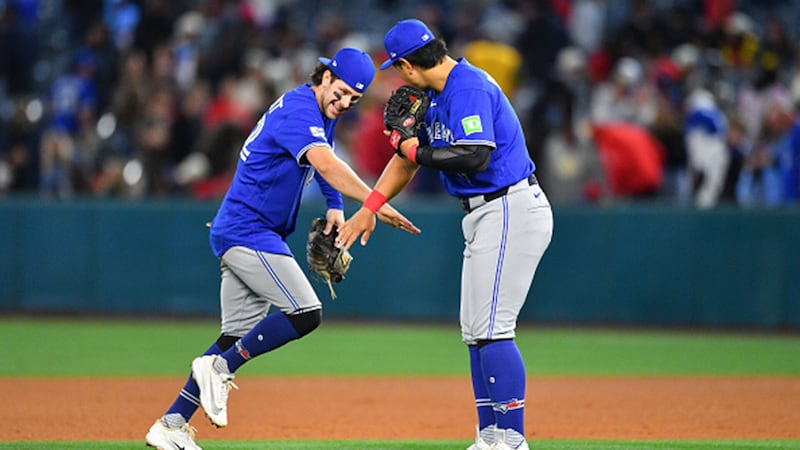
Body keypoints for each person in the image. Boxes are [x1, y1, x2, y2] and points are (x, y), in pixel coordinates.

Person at [145, 46, 420, 450]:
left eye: (354, 98)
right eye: (342, 91)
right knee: (306, 312)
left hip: (247, 229)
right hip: (249, 231)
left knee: (234, 337)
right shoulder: (298, 109)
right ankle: (219, 369)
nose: (345, 102)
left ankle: (171, 424)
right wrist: (375, 202)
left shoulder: (318, 110)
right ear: (325, 76)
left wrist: (334, 204)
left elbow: (324, 158)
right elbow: (326, 164)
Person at [337, 19, 553, 450]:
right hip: (485, 212)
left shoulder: (466, 86)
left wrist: (413, 147)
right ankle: (490, 437)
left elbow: (473, 155)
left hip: (508, 206)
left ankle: (512, 440)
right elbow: (406, 161)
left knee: (493, 328)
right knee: (475, 332)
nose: (399, 78)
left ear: (406, 66)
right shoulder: (437, 96)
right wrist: (369, 207)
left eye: (397, 69)